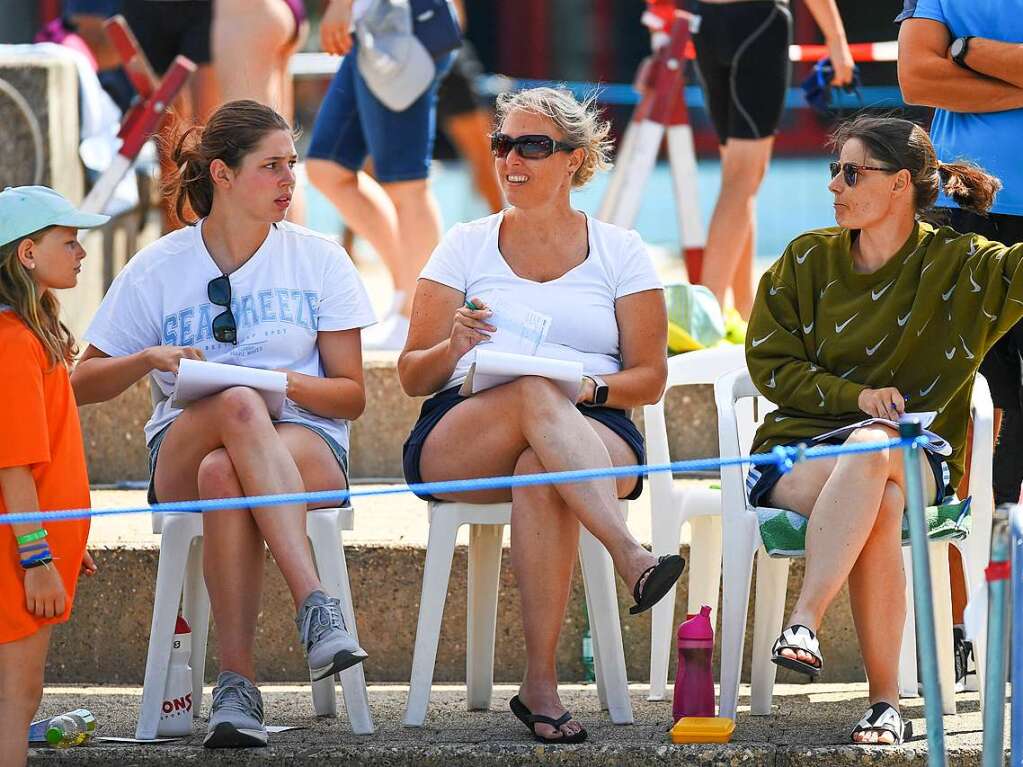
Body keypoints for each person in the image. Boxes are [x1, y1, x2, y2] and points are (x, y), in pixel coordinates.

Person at [69, 100, 376, 749]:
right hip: (180, 449)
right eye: (271, 166)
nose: (289, 180)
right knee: (232, 411)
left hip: (303, 439)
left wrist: (276, 383)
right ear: (224, 174)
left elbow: (350, 397)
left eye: (292, 164)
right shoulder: (160, 265)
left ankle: (236, 687)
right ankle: (315, 606)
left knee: (226, 463)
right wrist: (149, 358)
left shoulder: (320, 259)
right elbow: (79, 383)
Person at [397, 87, 683, 744]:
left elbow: (649, 376)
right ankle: (629, 553)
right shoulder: (464, 245)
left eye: (532, 146)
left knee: (542, 463)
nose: (510, 159)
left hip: (591, 423)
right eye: (503, 144)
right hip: (468, 427)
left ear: (573, 161)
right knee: (530, 391)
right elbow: (412, 373)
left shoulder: (620, 250)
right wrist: (455, 346)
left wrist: (584, 385)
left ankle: (540, 684)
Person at [744, 115, 1019, 745]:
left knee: (875, 447)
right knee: (878, 496)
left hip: (913, 453)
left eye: (851, 171)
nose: (834, 186)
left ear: (901, 183)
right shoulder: (805, 257)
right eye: (833, 170)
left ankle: (806, 619)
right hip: (800, 454)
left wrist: (868, 417)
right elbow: (771, 364)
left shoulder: (965, 265)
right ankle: (884, 704)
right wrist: (856, 396)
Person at [897, 0, 1023, 686]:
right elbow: (916, 78)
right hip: (966, 210)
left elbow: (940, 66)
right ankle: (957, 630)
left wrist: (971, 52)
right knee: (955, 424)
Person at [0, 186, 107, 767]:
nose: (81, 253)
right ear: (27, 254)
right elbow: (13, 463)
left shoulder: (29, 335)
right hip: (19, 557)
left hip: (37, 542)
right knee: (15, 701)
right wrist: (38, 558)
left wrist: (63, 541)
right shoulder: (14, 342)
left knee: (19, 696)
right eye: (69, 242)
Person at [306, 0, 455, 350]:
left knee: (407, 183)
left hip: (402, 25)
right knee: (326, 167)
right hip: (372, 30)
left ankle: (421, 317)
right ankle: (408, 291)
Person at [691, 0, 854, 319]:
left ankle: (742, 311)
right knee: (742, 178)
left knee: (738, 179)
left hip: (707, 21)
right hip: (758, 21)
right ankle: (705, 315)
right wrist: (836, 40)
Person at [211, 0, 309, 223]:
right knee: (279, 148)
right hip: (275, 12)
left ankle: (284, 255)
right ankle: (293, 254)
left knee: (250, 143)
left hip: (246, 14)